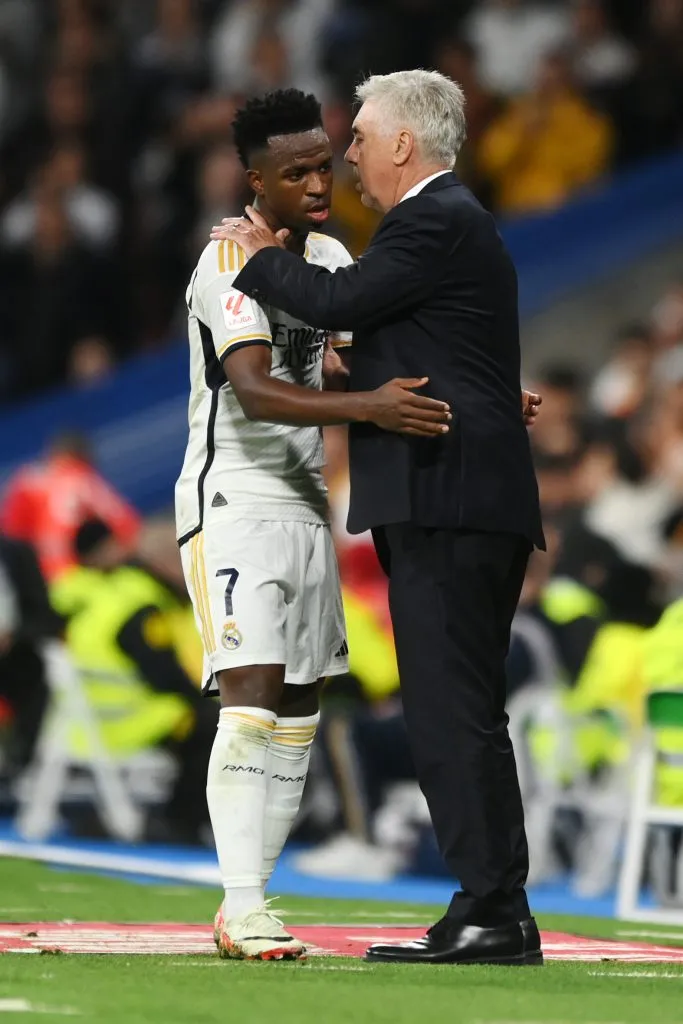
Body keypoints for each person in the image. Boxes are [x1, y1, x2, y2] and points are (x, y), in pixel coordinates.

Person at [212, 69, 545, 966]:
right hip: (465, 490)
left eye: (359, 136)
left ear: (404, 143)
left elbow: (335, 305)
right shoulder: (448, 226)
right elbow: (415, 341)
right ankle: (491, 903)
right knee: (462, 707)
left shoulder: (431, 217)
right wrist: (486, 396)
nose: (348, 151)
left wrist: (255, 249)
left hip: (450, 494)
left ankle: (489, 909)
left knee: (448, 708)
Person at [174, 88, 453, 962]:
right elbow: (254, 389)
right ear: (252, 178)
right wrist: (367, 406)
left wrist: (468, 395)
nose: (315, 183)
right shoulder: (226, 261)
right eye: (292, 172)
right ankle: (244, 898)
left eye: (322, 165)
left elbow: (353, 362)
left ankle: (247, 902)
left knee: (298, 707)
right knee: (250, 693)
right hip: (233, 502)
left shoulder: (328, 252)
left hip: (302, 508)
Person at [51, 517, 216, 844]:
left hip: (91, 718)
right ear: (166, 562)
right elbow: (163, 674)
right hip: (126, 720)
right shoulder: (144, 603)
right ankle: (181, 822)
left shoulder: (120, 590)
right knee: (216, 725)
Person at [0, 431, 140, 581]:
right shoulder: (81, 477)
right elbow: (126, 526)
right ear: (83, 456)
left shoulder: (25, 480)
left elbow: (10, 535)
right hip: (84, 573)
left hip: (46, 578)